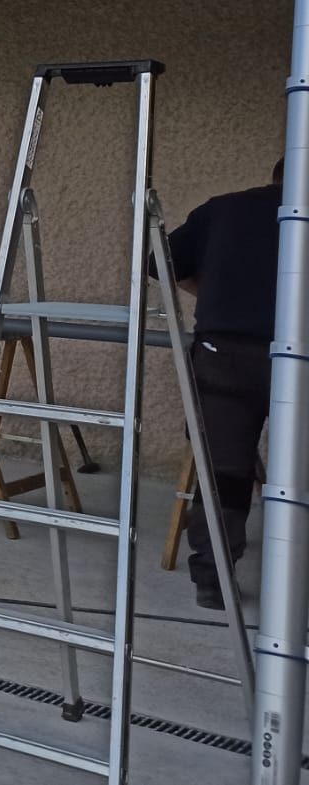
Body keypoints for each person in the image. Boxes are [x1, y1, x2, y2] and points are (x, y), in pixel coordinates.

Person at [169, 158, 283, 609]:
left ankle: (213, 581)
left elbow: (163, 262)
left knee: (224, 476)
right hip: (300, 355)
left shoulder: (224, 209)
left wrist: (216, 293)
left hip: (225, 355)